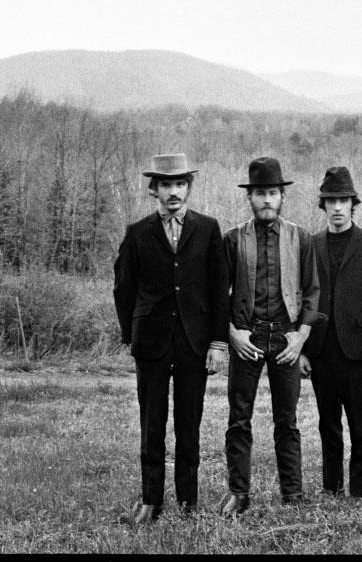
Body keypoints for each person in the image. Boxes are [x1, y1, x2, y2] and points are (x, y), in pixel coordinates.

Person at [113, 153, 229, 523]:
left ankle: (188, 502)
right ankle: (151, 500)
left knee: (189, 424)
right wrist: (132, 334)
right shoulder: (137, 232)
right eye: (166, 184)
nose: (173, 191)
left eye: (180, 183)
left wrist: (217, 343)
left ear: (188, 187)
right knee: (152, 423)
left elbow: (219, 290)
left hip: (195, 342)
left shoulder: (208, 229)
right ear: (155, 190)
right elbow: (123, 288)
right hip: (151, 342)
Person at [219, 157, 322, 516]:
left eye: (273, 193)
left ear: (282, 196)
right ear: (249, 197)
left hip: (285, 339)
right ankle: (239, 493)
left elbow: (312, 292)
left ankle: (292, 494)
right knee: (239, 419)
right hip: (247, 337)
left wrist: (300, 337)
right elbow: (218, 295)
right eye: (260, 193)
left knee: (287, 421)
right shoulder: (233, 239)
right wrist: (233, 334)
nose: (267, 199)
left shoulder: (300, 238)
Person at [299, 166, 362, 500]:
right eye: (331, 201)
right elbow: (300, 297)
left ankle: (359, 491)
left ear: (353, 204)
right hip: (321, 349)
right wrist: (302, 349)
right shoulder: (310, 244)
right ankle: (331, 486)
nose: (337, 207)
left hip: (357, 352)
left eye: (344, 200)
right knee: (328, 423)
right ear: (323, 205)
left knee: (360, 425)